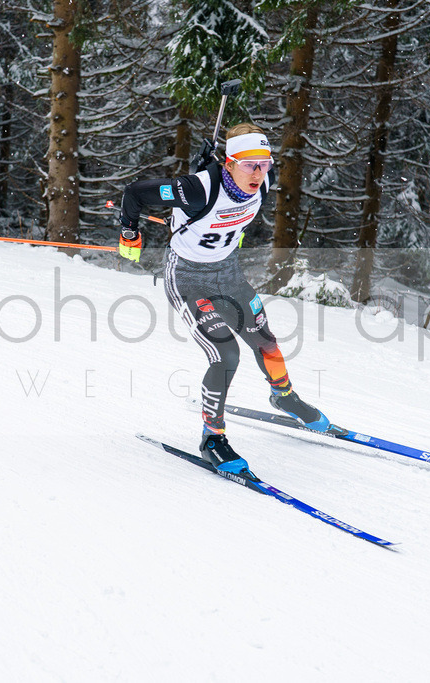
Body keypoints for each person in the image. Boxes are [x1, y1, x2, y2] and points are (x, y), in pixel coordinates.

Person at [118, 123, 330, 475]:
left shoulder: (263, 176)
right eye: (249, 164)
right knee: (225, 353)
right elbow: (135, 194)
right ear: (229, 162)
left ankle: (285, 397)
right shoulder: (197, 190)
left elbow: (244, 190)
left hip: (228, 273)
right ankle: (212, 439)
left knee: (266, 341)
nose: (259, 172)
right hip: (188, 279)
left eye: (264, 163)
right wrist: (130, 232)